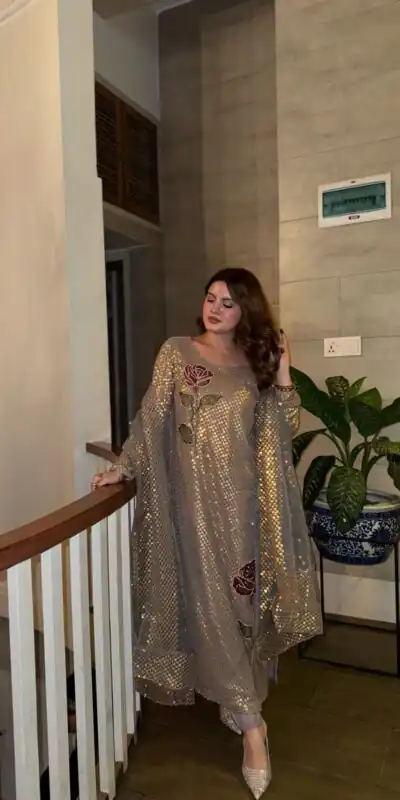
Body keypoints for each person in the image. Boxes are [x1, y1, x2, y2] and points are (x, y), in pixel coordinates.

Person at [92, 268, 322, 798]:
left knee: (241, 611)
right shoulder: (176, 353)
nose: (215, 309)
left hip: (245, 511)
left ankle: (236, 698)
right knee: (212, 611)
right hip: (191, 515)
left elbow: (282, 427)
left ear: (246, 311)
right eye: (210, 298)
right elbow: (151, 418)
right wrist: (124, 467)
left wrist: (283, 368)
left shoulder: (252, 364)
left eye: (228, 302)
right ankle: (254, 730)